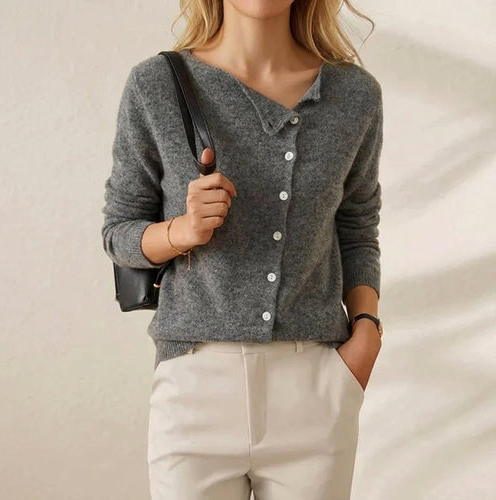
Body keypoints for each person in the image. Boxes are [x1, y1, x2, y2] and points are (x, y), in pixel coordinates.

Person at [101, 0, 384, 498]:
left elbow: (357, 226)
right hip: (194, 385)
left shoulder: (354, 95)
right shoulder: (156, 85)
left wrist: (367, 332)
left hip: (315, 387)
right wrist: (183, 231)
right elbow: (119, 232)